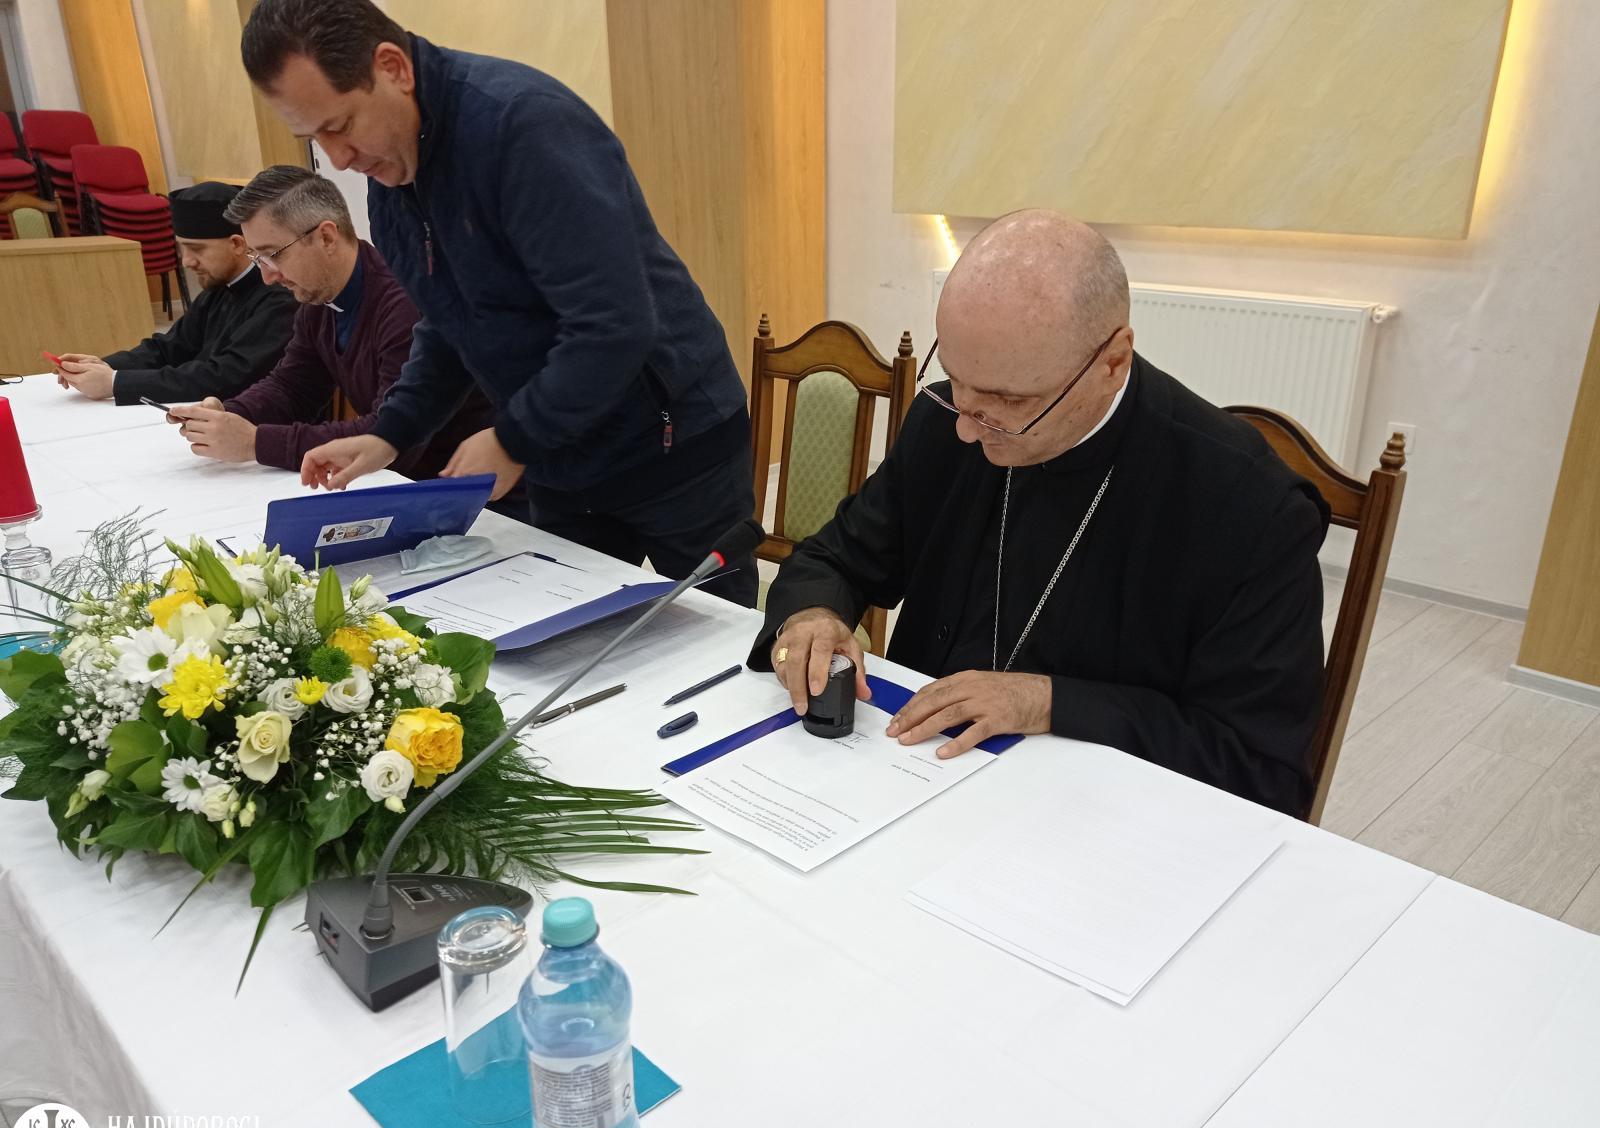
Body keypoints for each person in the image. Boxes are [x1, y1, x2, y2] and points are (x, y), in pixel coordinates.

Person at [754, 211, 1329, 817]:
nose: (967, 428)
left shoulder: (1247, 506)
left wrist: (1052, 703)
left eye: (1008, 400)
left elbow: (1257, 767)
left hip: (1096, 820)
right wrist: (811, 616)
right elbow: (836, 556)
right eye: (954, 379)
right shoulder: (949, 420)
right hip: (910, 778)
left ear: (1112, 362)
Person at [239, 0, 758, 605]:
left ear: (392, 68)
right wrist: (391, 432)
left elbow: (612, 325)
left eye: (341, 125)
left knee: (714, 638)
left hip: (672, 447)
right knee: (567, 633)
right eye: (314, 138)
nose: (338, 160)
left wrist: (512, 438)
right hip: (560, 457)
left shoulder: (523, 127)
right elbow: (448, 323)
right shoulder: (393, 179)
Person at [165, 165, 495, 482]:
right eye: (257, 259)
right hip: (401, 483)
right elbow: (292, 387)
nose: (267, 277)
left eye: (273, 255)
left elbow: (388, 439)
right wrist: (229, 413)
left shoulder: (403, 304)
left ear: (326, 237)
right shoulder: (317, 298)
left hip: (468, 493)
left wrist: (256, 442)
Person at [53, 182, 298, 406]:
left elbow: (225, 377)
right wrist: (104, 365)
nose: (187, 261)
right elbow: (168, 348)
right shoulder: (218, 289)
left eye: (196, 249)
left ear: (237, 244)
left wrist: (115, 382)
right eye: (182, 248)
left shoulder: (279, 298)